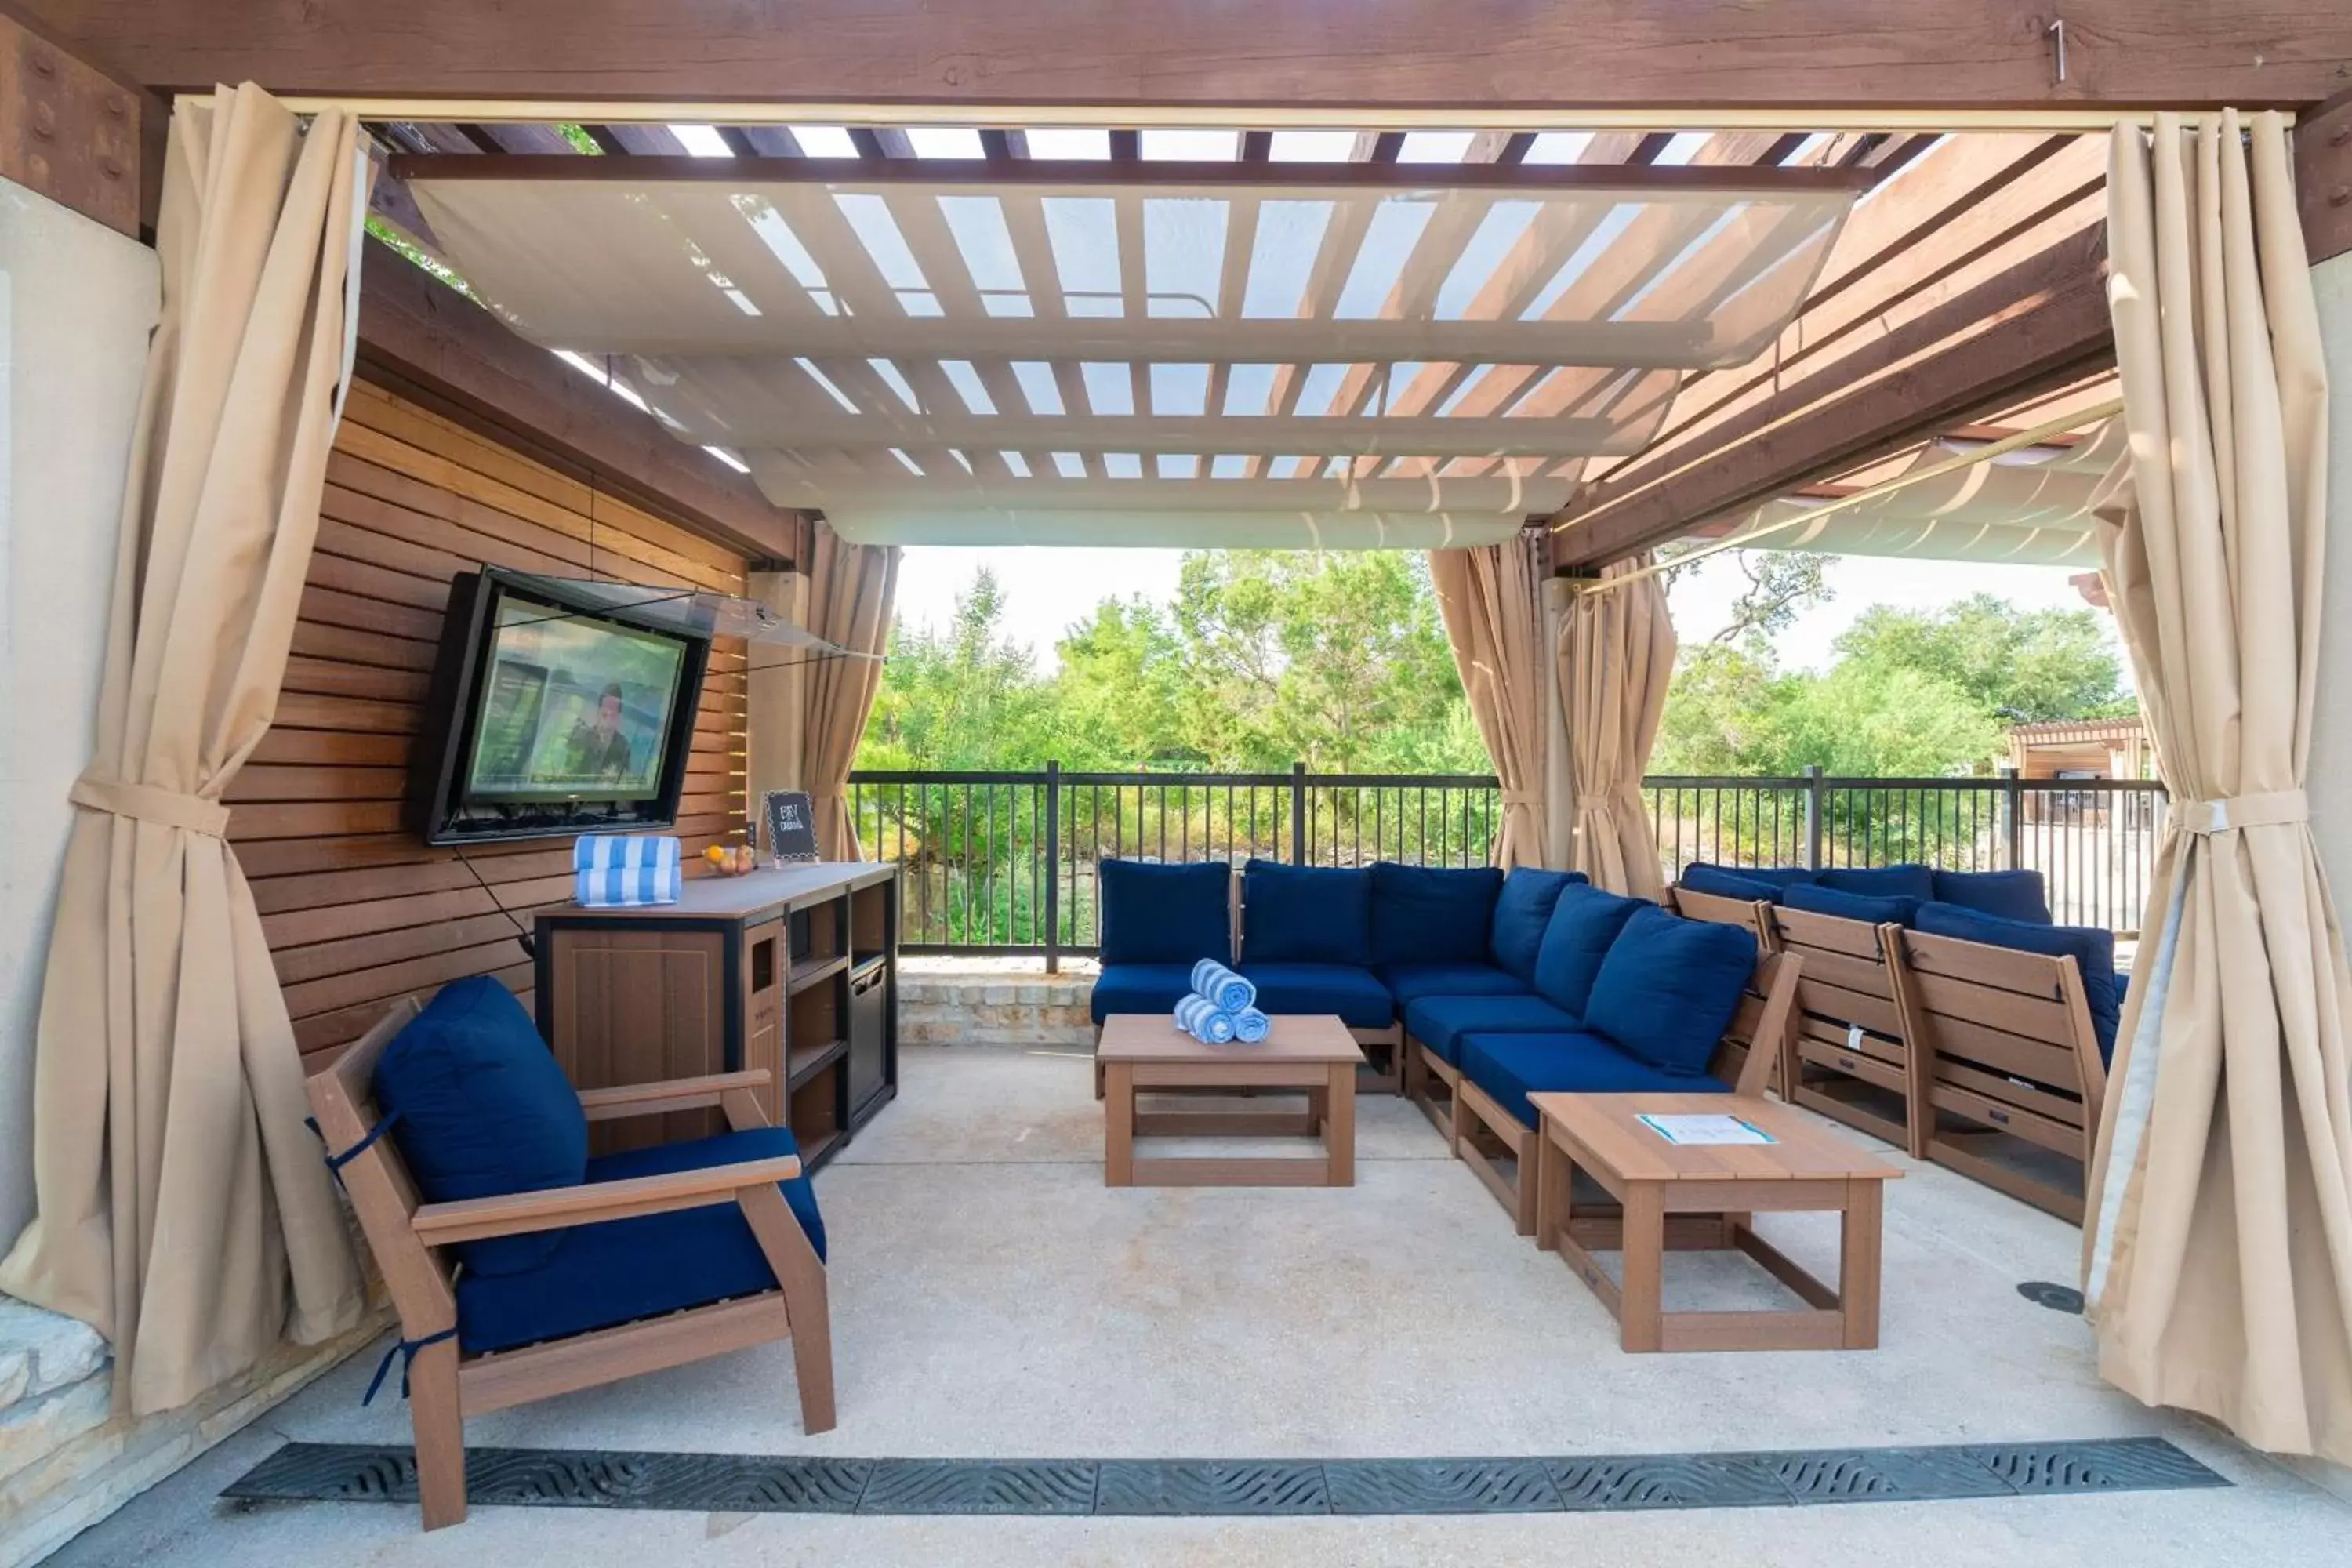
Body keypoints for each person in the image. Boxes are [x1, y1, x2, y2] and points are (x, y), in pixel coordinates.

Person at [562, 682, 634, 783]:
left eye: (613, 716)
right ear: (598, 714)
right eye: (604, 715)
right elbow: (566, 776)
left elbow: (624, 782)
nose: (607, 723)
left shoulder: (623, 746)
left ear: (618, 718)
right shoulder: (581, 738)